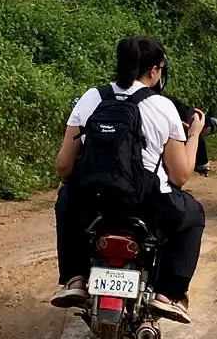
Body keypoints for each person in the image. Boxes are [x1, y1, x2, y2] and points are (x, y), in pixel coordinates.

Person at [52, 36, 205, 323]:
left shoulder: (92, 98)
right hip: (146, 204)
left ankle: (74, 279)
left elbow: (63, 166)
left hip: (93, 203)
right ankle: (167, 294)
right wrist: (195, 133)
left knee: (66, 198)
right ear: (154, 71)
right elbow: (180, 175)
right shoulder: (162, 107)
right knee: (194, 215)